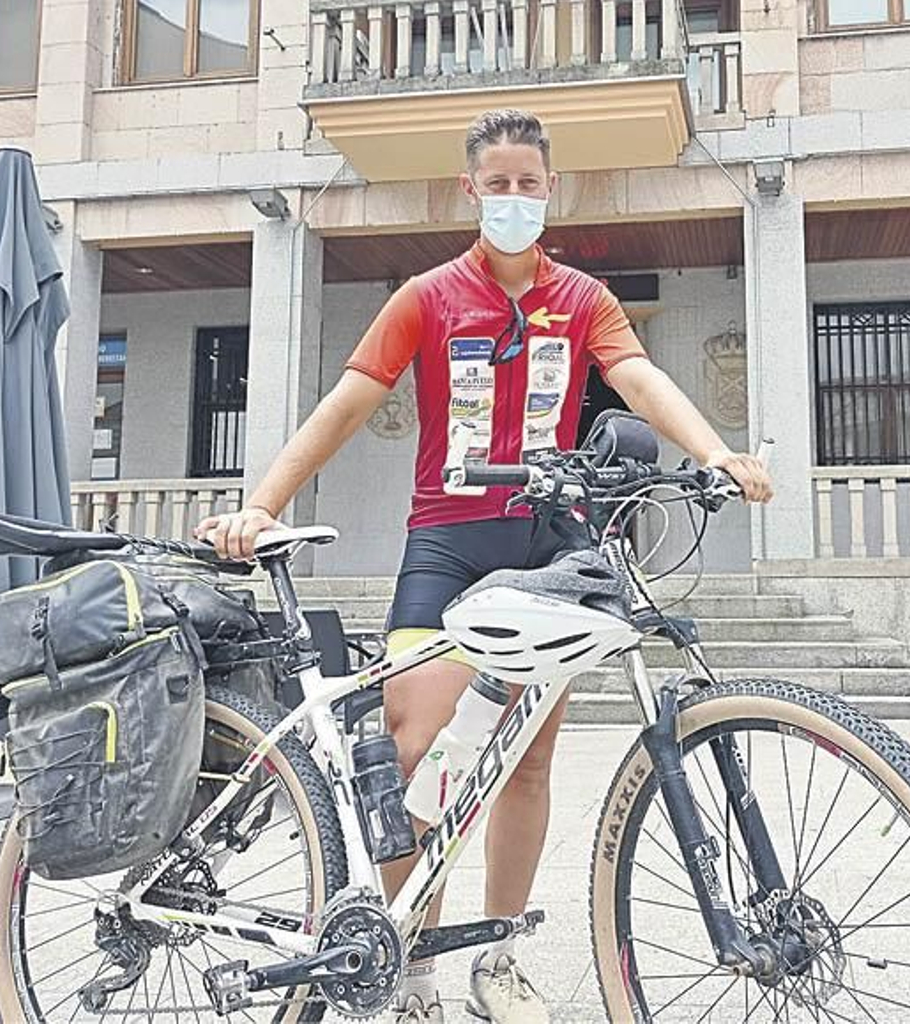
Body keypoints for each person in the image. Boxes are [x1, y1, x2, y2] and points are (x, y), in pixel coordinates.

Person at [198, 108, 772, 1023]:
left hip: (551, 544)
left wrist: (716, 452)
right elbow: (345, 406)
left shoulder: (583, 298)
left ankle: (497, 958)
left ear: (552, 190)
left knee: (528, 762)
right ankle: (410, 950)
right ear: (470, 190)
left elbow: (639, 379)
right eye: (497, 183)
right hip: (449, 542)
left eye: (528, 182)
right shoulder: (426, 296)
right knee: (414, 745)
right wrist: (264, 502)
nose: (513, 197)